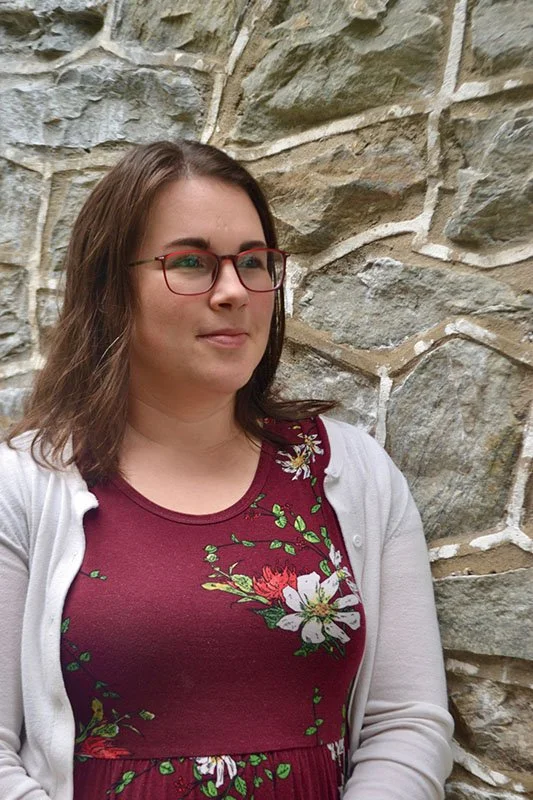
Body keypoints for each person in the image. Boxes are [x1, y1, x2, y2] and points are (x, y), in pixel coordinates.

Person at [0, 139, 453, 800]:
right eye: (191, 263)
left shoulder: (351, 473)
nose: (233, 291)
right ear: (110, 288)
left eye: (253, 262)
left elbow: (405, 720)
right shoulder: (25, 484)